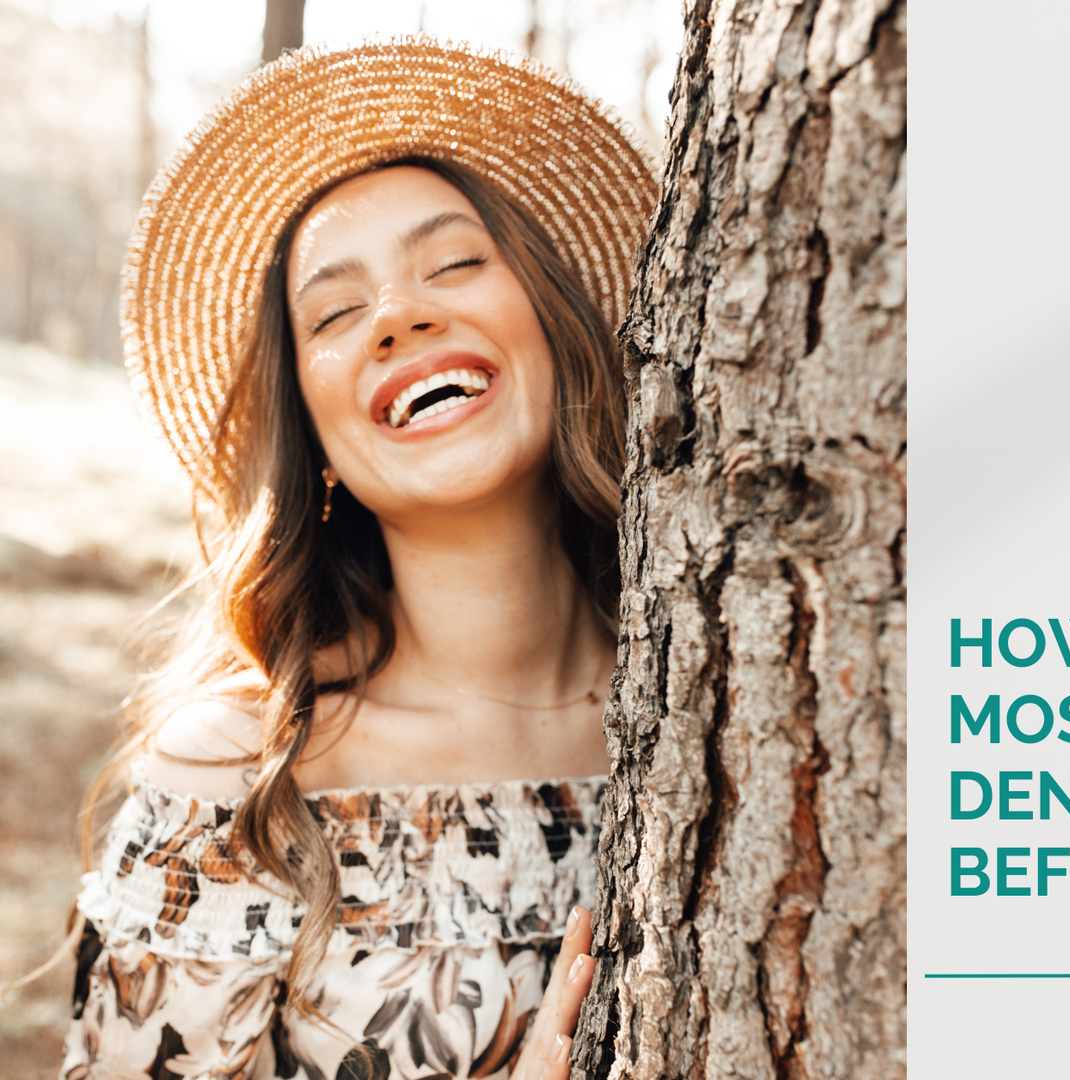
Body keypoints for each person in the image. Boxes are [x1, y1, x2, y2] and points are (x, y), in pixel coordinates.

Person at [57, 38, 658, 1079]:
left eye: (458, 262)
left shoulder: (725, 710)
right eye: (335, 313)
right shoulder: (238, 783)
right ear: (318, 438)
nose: (398, 315)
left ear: (559, 328)